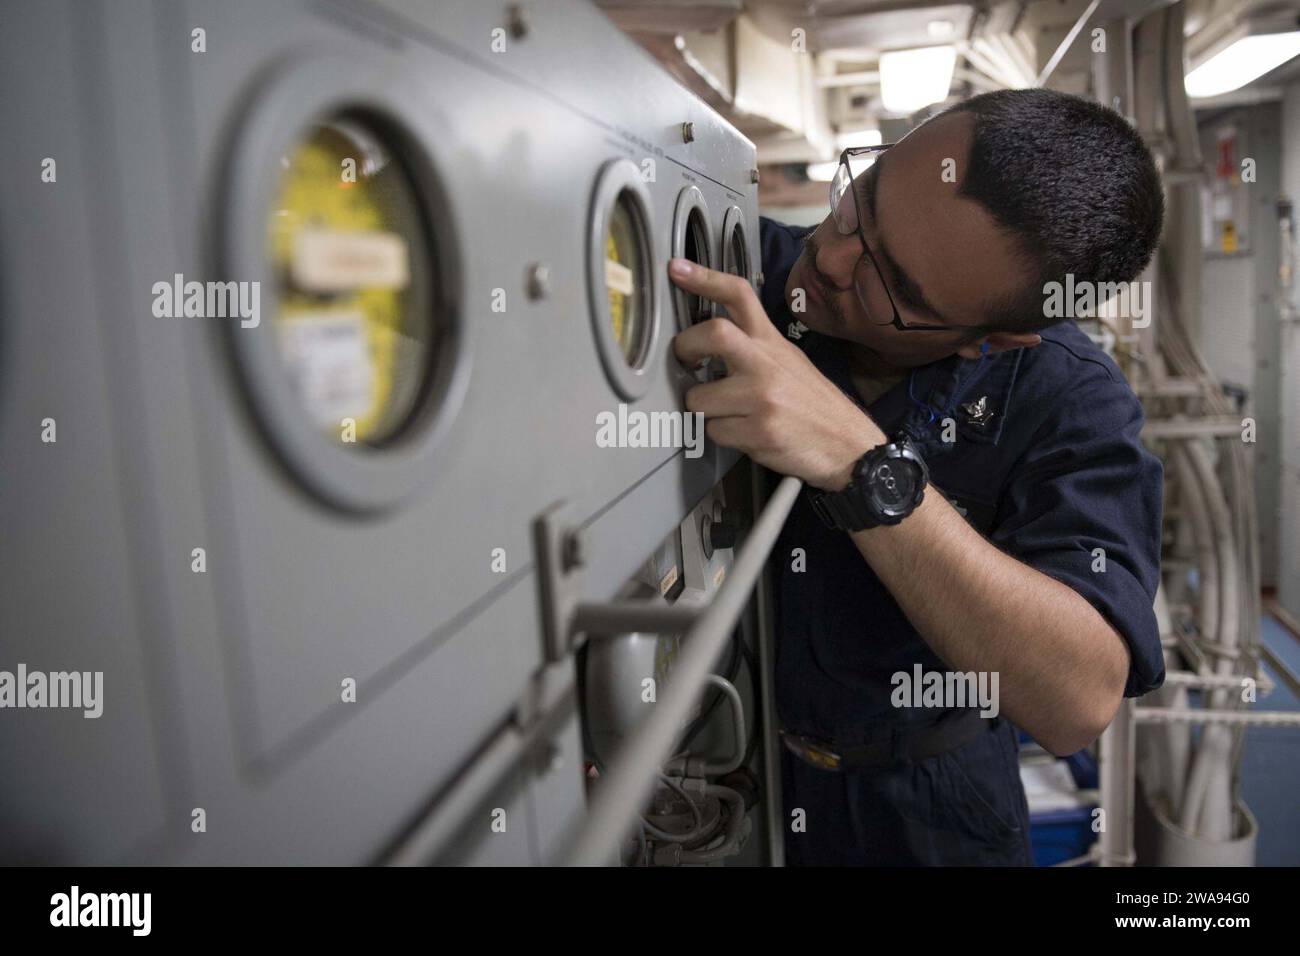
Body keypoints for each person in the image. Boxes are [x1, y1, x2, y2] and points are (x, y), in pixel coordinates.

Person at [666, 88, 1166, 865]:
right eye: (859, 202)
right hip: (728, 763)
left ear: (992, 340)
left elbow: (1076, 700)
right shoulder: (750, 270)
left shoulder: (1068, 400)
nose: (829, 260)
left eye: (889, 286)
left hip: (924, 807)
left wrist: (862, 465)